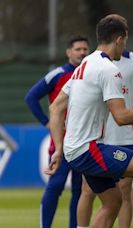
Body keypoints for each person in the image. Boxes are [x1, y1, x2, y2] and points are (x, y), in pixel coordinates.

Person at [45, 14, 133, 228]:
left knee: (113, 202)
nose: (124, 46)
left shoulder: (85, 64)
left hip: (77, 149)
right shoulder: (109, 70)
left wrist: (59, 148)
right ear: (119, 40)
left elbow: (55, 108)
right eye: (125, 41)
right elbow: (121, 117)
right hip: (88, 149)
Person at [77, 49, 133, 228]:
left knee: (124, 192)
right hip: (96, 138)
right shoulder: (94, 62)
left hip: (123, 136)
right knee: (87, 191)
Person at [25, 35, 90, 228]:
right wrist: (46, 122)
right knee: (55, 186)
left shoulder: (91, 73)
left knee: (80, 190)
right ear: (68, 52)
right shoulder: (58, 73)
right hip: (61, 142)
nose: (82, 52)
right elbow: (31, 97)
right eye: (78, 49)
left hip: (84, 140)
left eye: (85, 49)